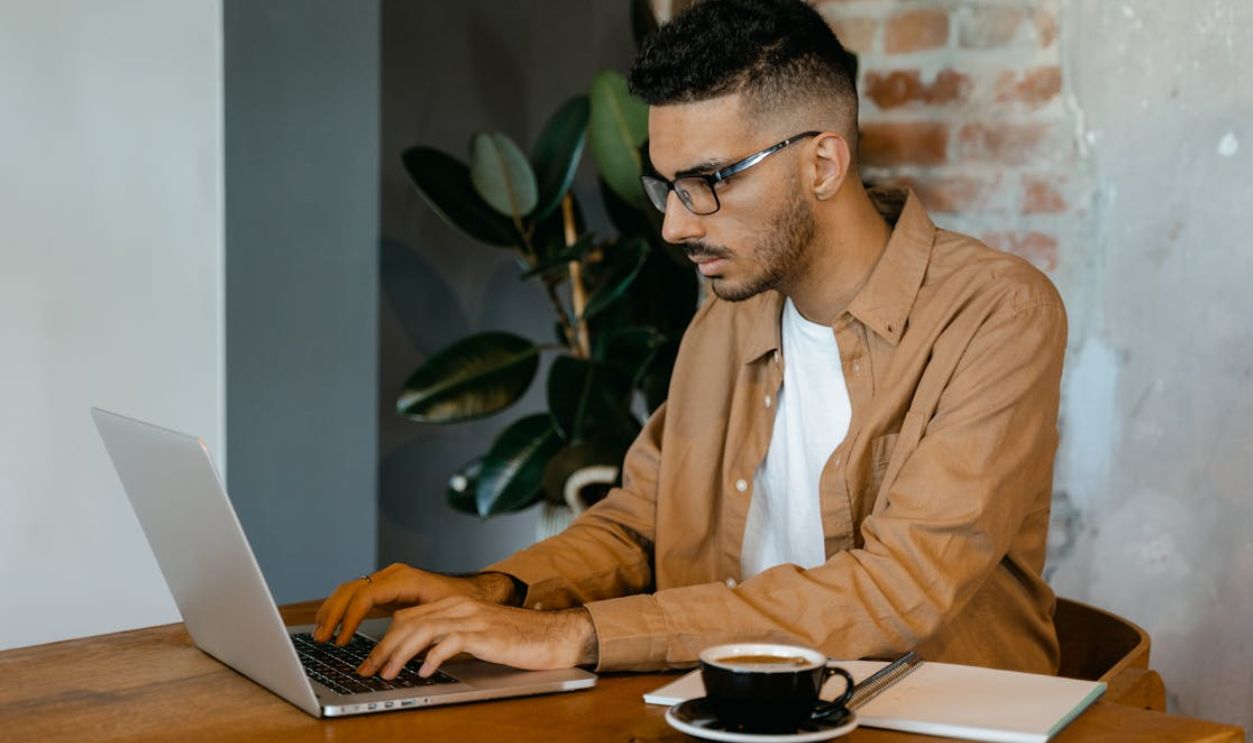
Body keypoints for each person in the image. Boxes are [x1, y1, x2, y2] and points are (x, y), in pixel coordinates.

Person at [314, 0, 1067, 682]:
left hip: (925, 717)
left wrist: (574, 634)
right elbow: (641, 521)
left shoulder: (996, 314)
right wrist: (494, 591)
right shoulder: (729, 310)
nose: (676, 224)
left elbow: (897, 588)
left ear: (823, 164)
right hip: (727, 708)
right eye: (666, 186)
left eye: (708, 180)